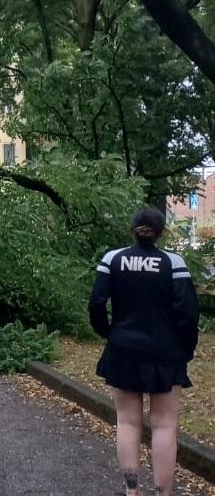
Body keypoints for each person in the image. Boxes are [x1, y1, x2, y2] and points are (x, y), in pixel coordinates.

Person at [89, 206, 199, 496]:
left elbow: (96, 304)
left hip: (123, 350)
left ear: (133, 229)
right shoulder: (174, 263)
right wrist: (185, 350)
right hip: (165, 354)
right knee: (165, 426)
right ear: (161, 232)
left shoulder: (112, 259)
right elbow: (188, 313)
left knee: (127, 421)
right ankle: (163, 493)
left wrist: (109, 334)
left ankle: (132, 491)